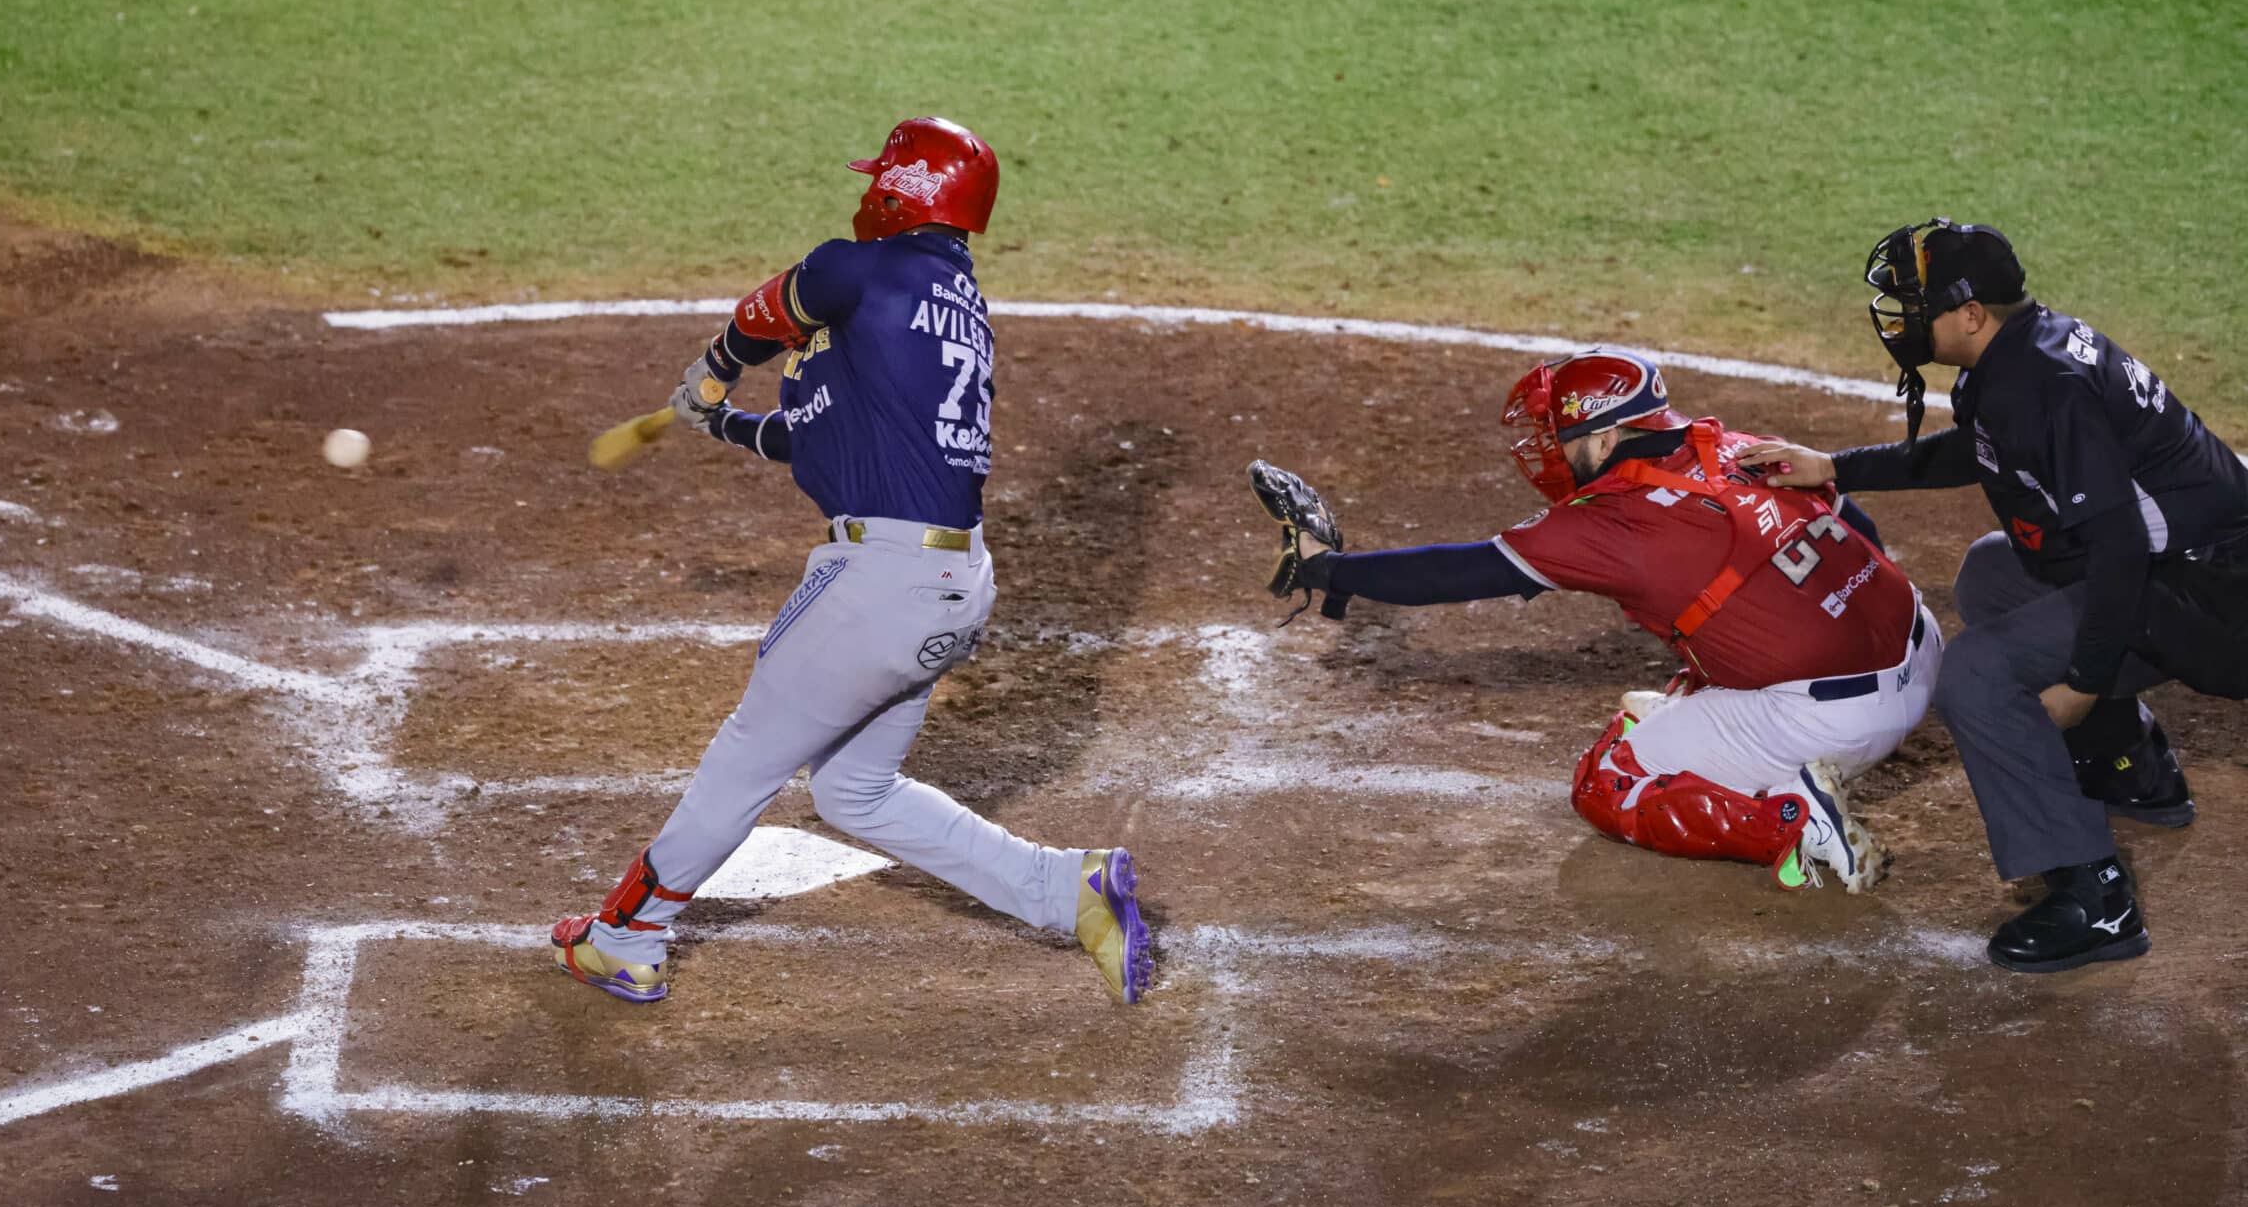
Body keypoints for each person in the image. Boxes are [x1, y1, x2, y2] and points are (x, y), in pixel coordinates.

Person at [550, 117, 1153, 1005]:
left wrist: (716, 371)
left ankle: (624, 934)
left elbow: (767, 311)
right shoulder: (949, 307)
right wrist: (725, 425)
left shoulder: (857, 268)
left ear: (900, 190)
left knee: (747, 755)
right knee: (856, 791)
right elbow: (825, 439)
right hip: (948, 585)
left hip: (879, 584)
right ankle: (1066, 889)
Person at [1741, 219, 2248, 972]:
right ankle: (2132, 767)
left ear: (1971, 313)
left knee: (1976, 674)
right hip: (2186, 571)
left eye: (1917, 304)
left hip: (2214, 600)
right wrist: (1835, 467)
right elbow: (1976, 450)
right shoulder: (2021, 353)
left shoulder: (2045, 388)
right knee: (1992, 573)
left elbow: (2116, 551)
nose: (1902, 317)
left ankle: (2095, 898)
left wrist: (2080, 683)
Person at [1257, 350, 1938, 891]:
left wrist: (1326, 568)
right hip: (1920, 646)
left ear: (1609, 432)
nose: (1552, 450)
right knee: (1713, 642)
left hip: (1839, 720)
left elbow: (1457, 572)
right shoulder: (1729, 444)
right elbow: (1862, 529)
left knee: (1608, 782)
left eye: (1564, 435)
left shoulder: (1610, 522)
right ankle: (1760, 731)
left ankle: (1792, 821)